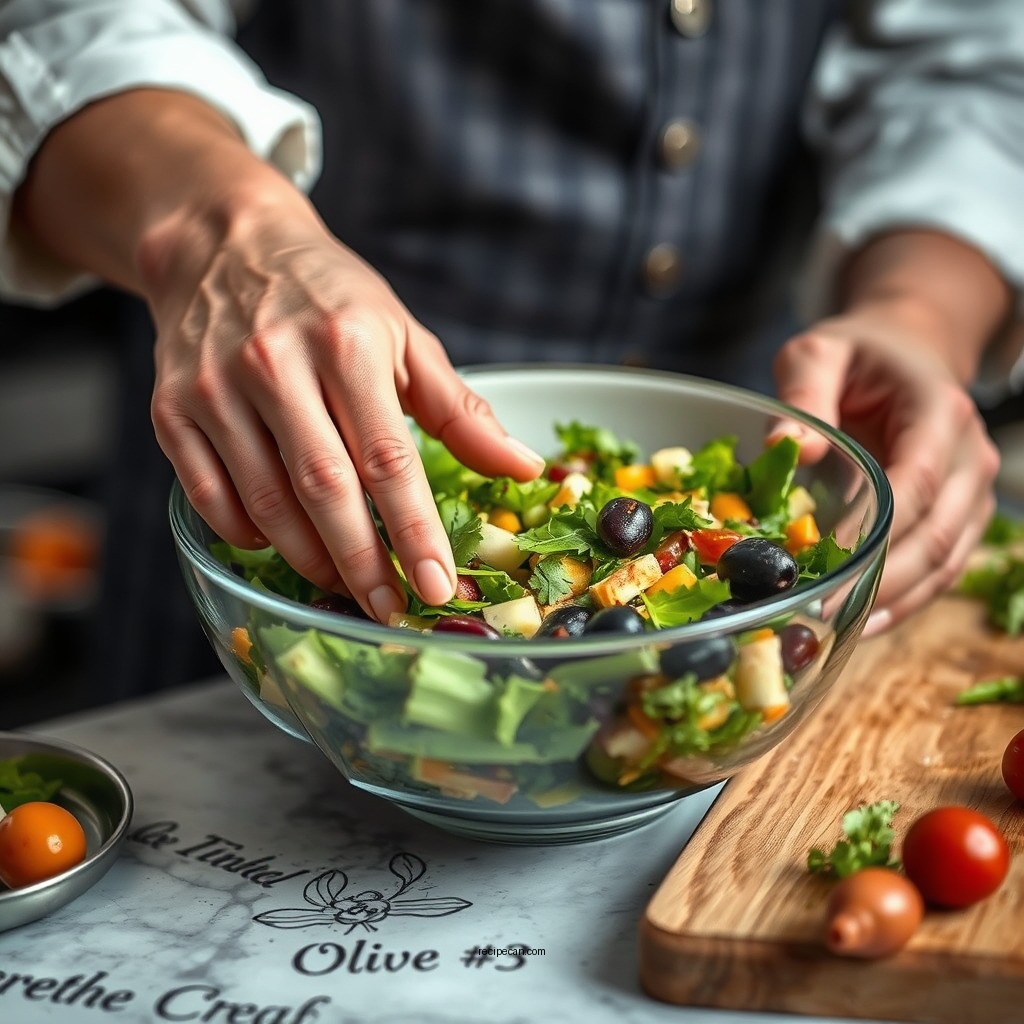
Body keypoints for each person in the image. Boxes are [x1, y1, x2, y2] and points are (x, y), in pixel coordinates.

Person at [0, 0, 1021, 694]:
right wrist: (219, 230)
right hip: (272, 488)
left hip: (745, 593)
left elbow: (968, 57)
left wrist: (916, 313)